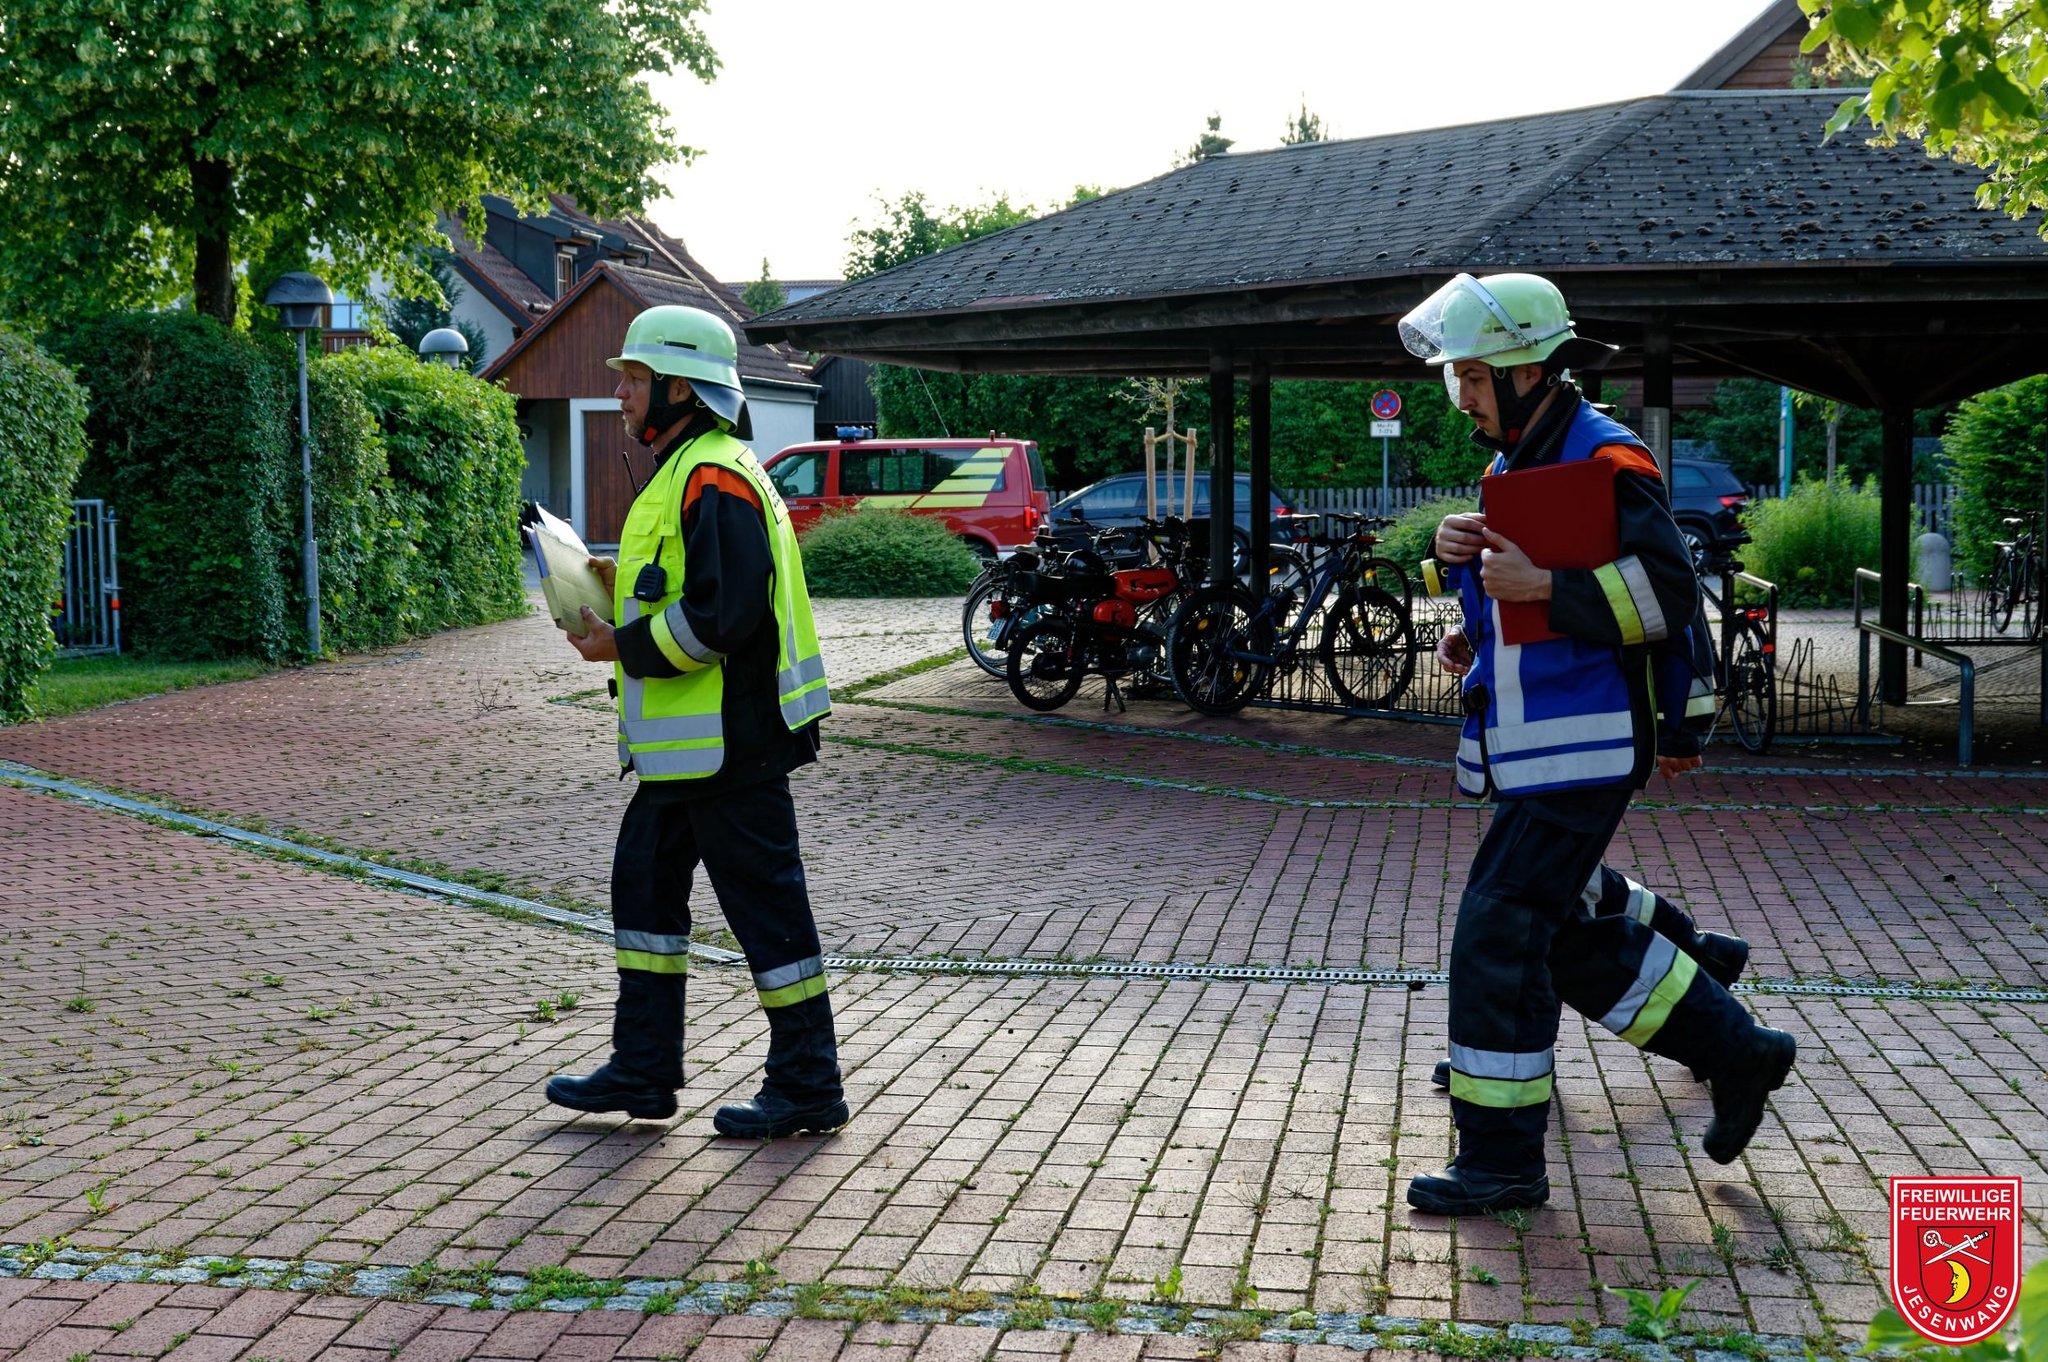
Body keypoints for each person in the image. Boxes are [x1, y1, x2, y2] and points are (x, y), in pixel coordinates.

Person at [1397, 272, 1795, 1215]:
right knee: (1561, 934)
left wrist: (1543, 588)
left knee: (1499, 928)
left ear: (1529, 370)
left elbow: (1667, 598)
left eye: (1473, 379)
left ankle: (1502, 1160)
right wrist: (1472, 613)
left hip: (1587, 747)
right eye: (1457, 379)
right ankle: (1736, 1047)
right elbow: (1532, 598)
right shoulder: (1527, 456)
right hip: (1548, 747)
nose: (1462, 399)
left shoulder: (1605, 457)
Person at [541, 303, 847, 1139]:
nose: (622, 395)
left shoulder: (711, 475)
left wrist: (621, 645)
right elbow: (690, 590)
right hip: (696, 749)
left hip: (731, 744)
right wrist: (615, 588)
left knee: (768, 914)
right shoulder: (695, 470)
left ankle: (808, 1085)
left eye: (635, 379)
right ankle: (644, 1069)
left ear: (682, 389)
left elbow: (724, 617)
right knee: (644, 885)